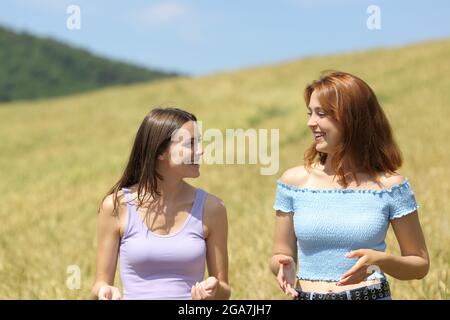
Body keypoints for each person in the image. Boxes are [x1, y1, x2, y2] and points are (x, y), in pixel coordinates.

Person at [269, 71, 430, 300]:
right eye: (310, 113)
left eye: (321, 114)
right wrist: (282, 264)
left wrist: (380, 261)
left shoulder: (391, 187)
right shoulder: (293, 183)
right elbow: (280, 253)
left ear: (351, 118)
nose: (310, 123)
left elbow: (419, 264)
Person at [91, 107, 231, 300]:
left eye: (198, 142)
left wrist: (213, 292)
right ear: (160, 152)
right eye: (191, 143)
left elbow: (225, 290)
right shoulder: (116, 206)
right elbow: (100, 284)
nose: (201, 150)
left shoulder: (213, 208)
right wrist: (102, 292)